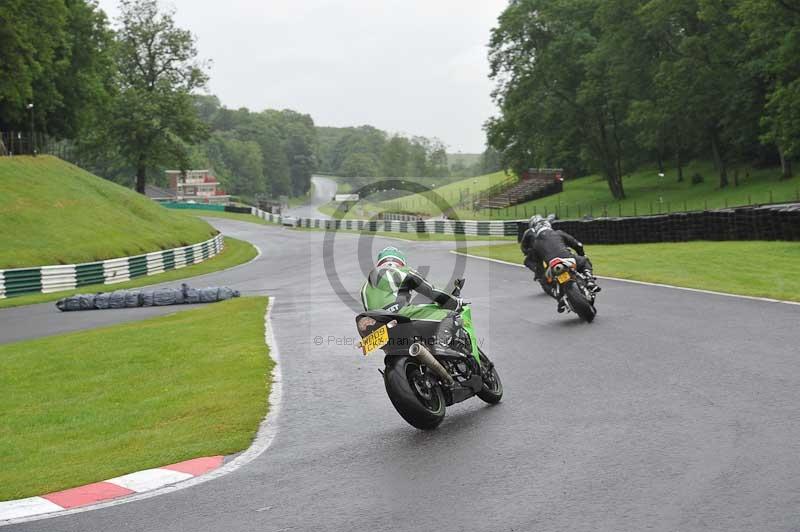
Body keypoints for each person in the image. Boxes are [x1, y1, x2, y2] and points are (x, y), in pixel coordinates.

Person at [521, 215, 600, 312]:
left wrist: (540, 272)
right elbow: (578, 245)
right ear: (548, 225)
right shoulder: (558, 233)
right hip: (567, 260)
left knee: (544, 282)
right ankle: (590, 281)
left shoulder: (536, 244)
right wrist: (581, 255)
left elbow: (536, 262)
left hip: (552, 266)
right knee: (584, 261)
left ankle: (559, 298)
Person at [360, 246, 461, 314]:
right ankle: (441, 345)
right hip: (398, 314)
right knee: (446, 315)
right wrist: (454, 303)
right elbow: (430, 290)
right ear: (401, 261)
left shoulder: (365, 286)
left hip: (372, 323)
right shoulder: (403, 271)